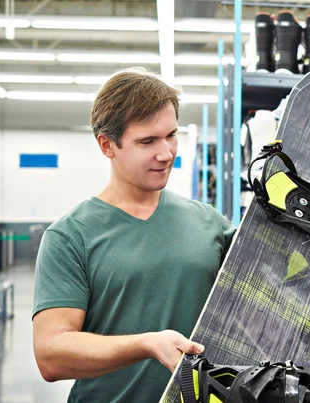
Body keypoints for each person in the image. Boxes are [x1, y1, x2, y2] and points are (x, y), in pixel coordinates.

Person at [32, 67, 236, 402]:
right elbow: (50, 354)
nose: (166, 153)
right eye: (147, 141)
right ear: (107, 145)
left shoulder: (209, 222)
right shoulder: (71, 236)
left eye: (171, 135)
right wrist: (146, 345)